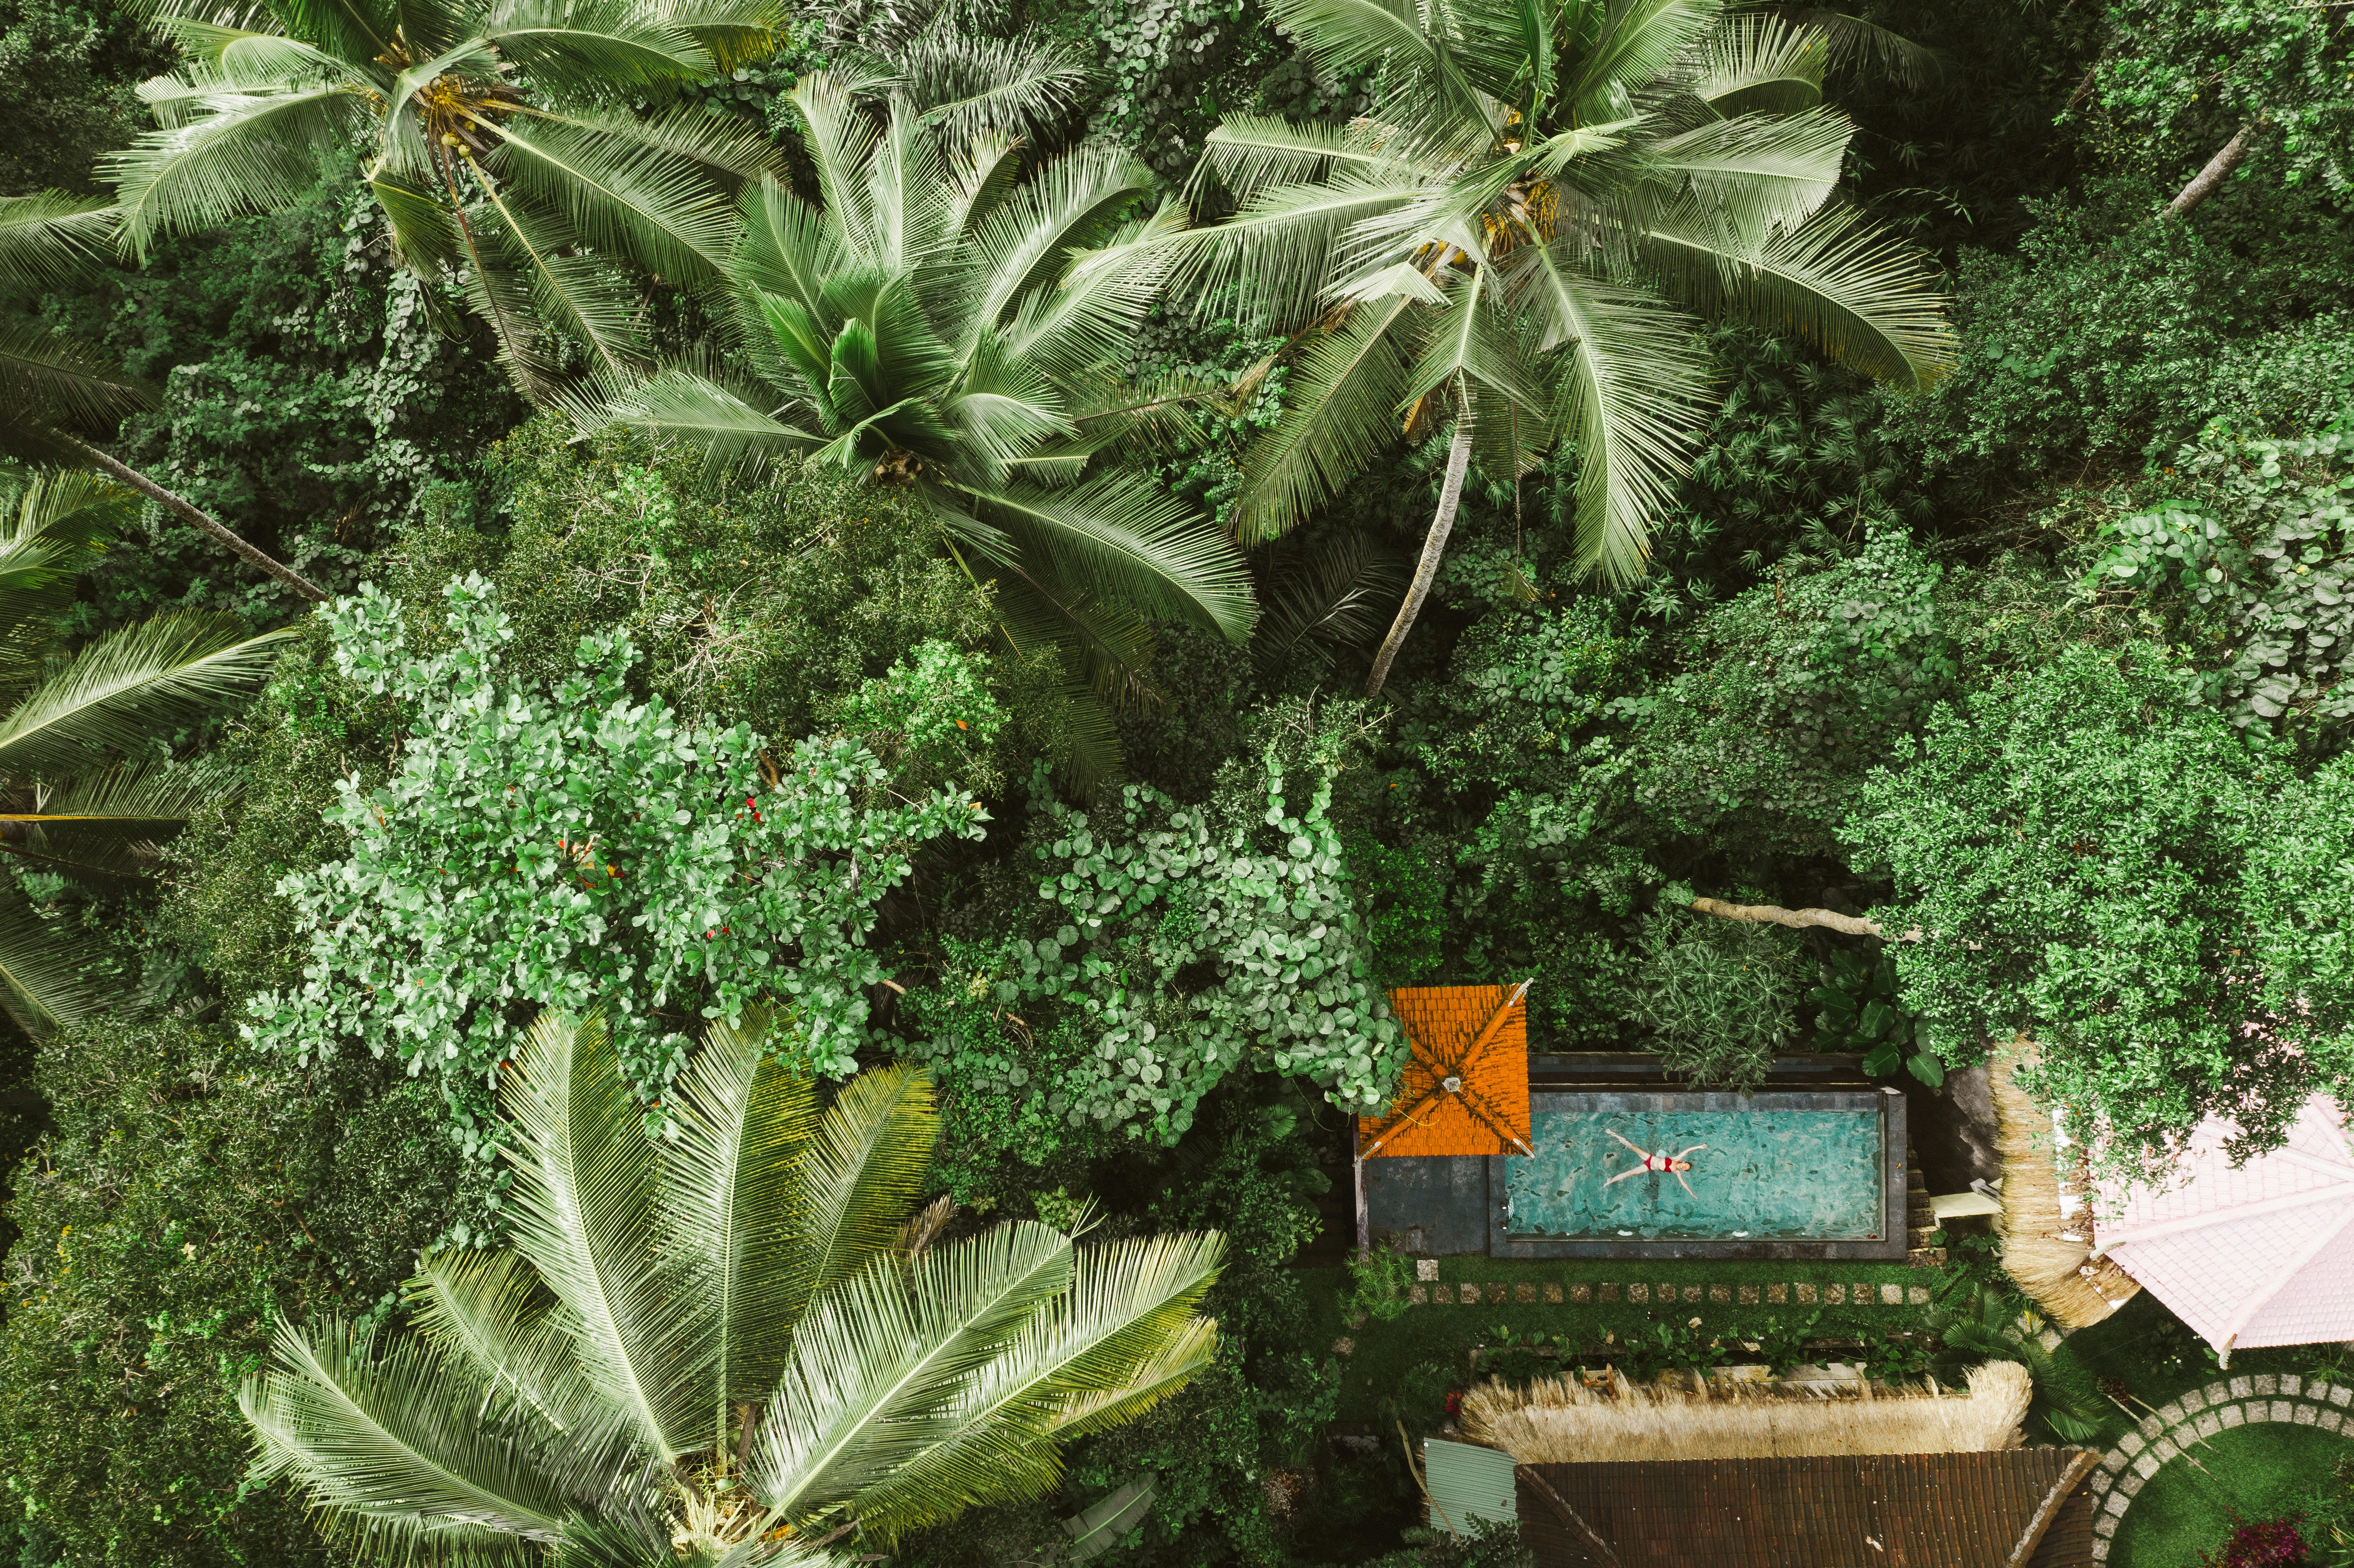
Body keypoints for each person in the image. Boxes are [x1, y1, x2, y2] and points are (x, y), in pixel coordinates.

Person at [1601, 1126, 1705, 1198]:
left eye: (1685, 1169)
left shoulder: (1676, 1172)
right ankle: (1613, 1134)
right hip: (1650, 1158)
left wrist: (1691, 1194)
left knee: (1629, 1173)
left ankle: (1610, 1181)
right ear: (1684, 1162)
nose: (1684, 1167)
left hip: (1648, 1167)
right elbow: (1688, 1150)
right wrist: (1700, 1147)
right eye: (1685, 1165)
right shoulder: (1677, 1158)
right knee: (1630, 1146)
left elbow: (1684, 1184)